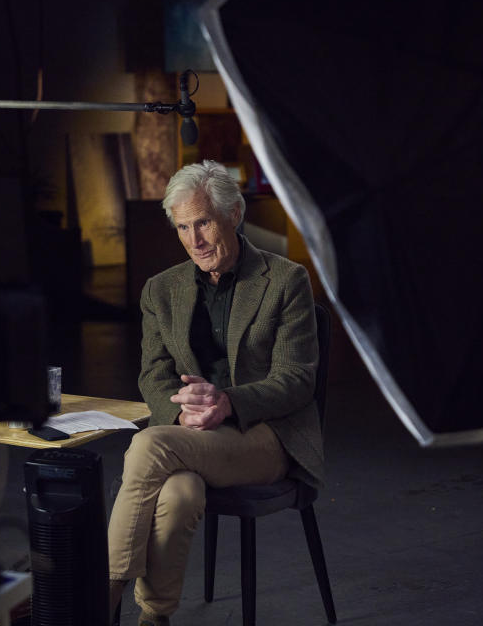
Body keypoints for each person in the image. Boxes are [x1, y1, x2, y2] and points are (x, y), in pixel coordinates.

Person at [107, 160, 325, 625]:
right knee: (180, 494)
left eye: (203, 222)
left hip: (265, 436)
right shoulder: (161, 290)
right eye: (183, 227)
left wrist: (228, 401)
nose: (194, 240)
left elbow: (297, 379)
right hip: (194, 436)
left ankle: (101, 596)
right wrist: (181, 412)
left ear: (235, 214)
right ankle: (153, 617)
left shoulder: (285, 281)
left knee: (147, 443)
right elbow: (153, 372)